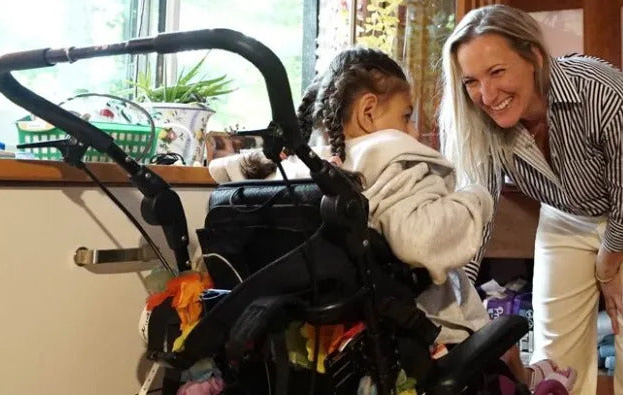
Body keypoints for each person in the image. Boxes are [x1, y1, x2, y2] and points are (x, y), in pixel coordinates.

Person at [209, 46, 574, 391]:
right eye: (406, 116)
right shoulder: (392, 163)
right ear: (369, 113)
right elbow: (422, 239)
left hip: (326, 342)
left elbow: (221, 171)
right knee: (503, 345)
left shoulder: (304, 173)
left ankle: (531, 374)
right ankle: (537, 381)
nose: (413, 132)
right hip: (419, 333)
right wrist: (475, 199)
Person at [439, 4, 623, 395]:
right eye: (471, 81)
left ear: (533, 56)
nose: (486, 94)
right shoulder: (479, 123)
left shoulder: (605, 93)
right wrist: (455, 298)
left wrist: (608, 268)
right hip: (565, 215)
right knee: (554, 356)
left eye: (497, 72)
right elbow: (476, 215)